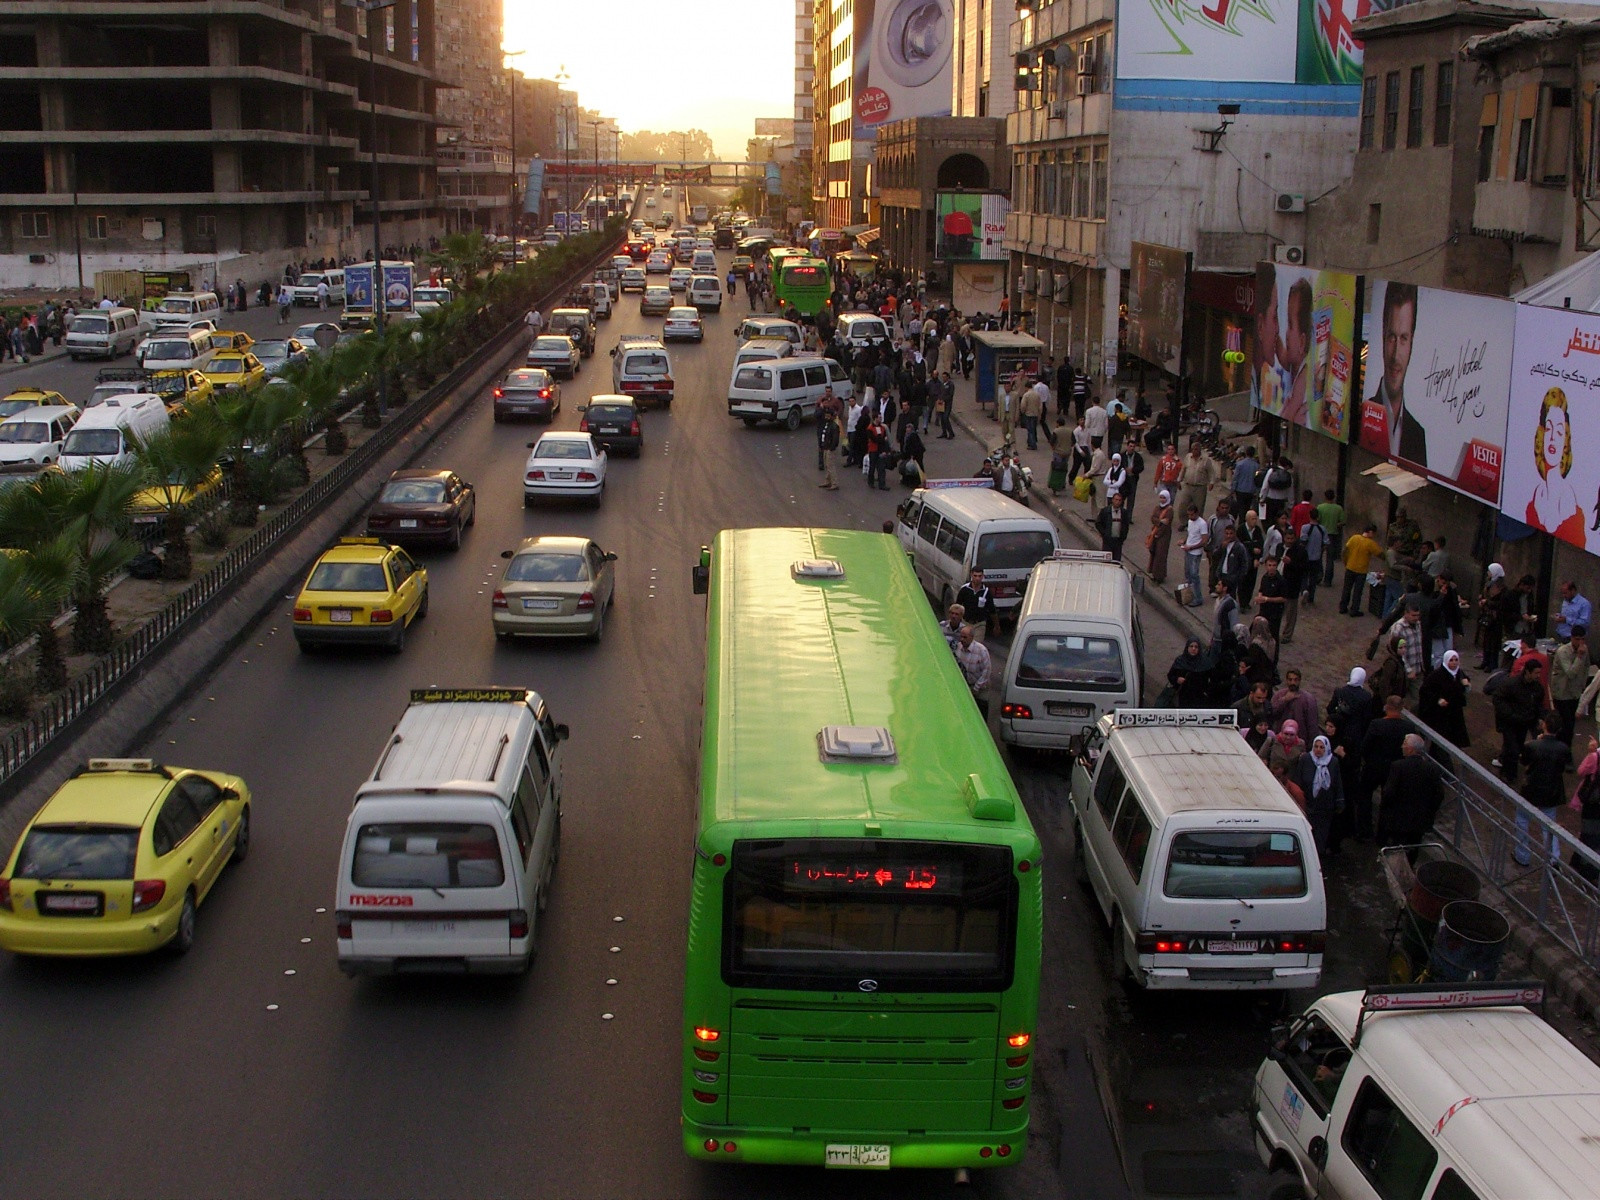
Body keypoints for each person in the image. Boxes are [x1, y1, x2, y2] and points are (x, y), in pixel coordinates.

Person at [1357, 282, 1426, 462]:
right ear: (1382, 337)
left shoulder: (1418, 435)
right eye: (1391, 338)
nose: (1395, 355)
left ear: (1412, 343)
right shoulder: (1361, 413)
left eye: (1403, 339)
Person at [1525, 387, 1585, 544]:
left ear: (1565, 439)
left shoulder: (1569, 502)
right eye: (1549, 428)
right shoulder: (1537, 494)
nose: (1552, 437)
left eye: (1559, 432)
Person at [1518, 711, 1572, 867]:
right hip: (1552, 791)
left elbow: (1524, 761)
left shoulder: (1532, 746)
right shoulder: (1563, 748)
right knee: (1549, 826)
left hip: (1531, 789)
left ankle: (1522, 856)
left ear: (1544, 725)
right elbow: (1566, 767)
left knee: (1522, 821)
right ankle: (1553, 858)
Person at [1378, 735, 1444, 859]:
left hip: (1398, 819)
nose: (1402, 746)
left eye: (1404, 743)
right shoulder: (1432, 769)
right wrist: (1430, 811)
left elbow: (1389, 792)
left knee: (1397, 850)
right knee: (1413, 849)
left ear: (1410, 749)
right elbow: (1439, 794)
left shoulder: (1398, 766)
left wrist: (1387, 810)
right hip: (1420, 820)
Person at [1487, 657, 1545, 785]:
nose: (1538, 676)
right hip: (1510, 722)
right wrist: (1509, 714)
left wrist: (1540, 717)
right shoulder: (1511, 684)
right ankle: (1508, 775)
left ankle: (1508, 771)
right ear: (1528, 672)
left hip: (1523, 723)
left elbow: (1539, 704)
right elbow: (1498, 698)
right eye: (1536, 673)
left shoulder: (1537, 688)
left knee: (1516, 747)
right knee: (1512, 748)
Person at [1297, 735, 1344, 865]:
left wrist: (1340, 801)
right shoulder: (1306, 759)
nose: (1318, 750)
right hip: (1308, 802)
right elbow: (1299, 779)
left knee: (1322, 832)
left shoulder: (1333, 762)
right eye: (1316, 747)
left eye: (1322, 747)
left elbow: (1337, 782)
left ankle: (1319, 858)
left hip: (1325, 804)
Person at [1418, 650, 1471, 748]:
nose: (1454, 662)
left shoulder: (1460, 673)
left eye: (1456, 660)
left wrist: (1466, 684)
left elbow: (1464, 688)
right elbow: (1425, 690)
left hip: (1455, 709)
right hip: (1441, 712)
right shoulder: (1436, 675)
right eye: (1451, 660)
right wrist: (1437, 700)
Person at [1551, 627, 1590, 746]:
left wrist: (1583, 685)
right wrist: (1579, 657)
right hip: (1562, 692)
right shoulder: (1563, 651)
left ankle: (1566, 750)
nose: (1580, 643)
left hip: (1575, 692)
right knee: (1564, 724)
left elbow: (1586, 668)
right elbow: (1570, 673)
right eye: (1577, 639)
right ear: (1572, 638)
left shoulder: (1584, 650)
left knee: (1571, 725)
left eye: (1582, 639)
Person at [1570, 735, 1600, 884]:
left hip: (1593, 803)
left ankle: (1581, 866)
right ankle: (1590, 871)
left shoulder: (1595, 756)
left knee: (1587, 835)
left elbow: (1581, 772)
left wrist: (1590, 752)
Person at [1339, 524, 1383, 617]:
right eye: (1374, 533)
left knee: (1346, 589)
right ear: (1370, 532)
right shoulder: (1370, 543)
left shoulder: (1354, 538)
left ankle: (1343, 607)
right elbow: (1380, 554)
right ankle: (1354, 610)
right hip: (1361, 571)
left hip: (1350, 567)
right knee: (1357, 592)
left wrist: (1345, 561)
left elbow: (1345, 550)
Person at [954, 625, 992, 717]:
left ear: (972, 637)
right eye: (961, 637)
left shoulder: (981, 650)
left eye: (965, 637)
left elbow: (987, 671)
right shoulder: (958, 648)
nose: (962, 639)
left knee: (980, 712)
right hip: (965, 686)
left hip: (980, 688)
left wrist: (976, 688)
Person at [1177, 440, 1220, 519]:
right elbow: (1183, 469)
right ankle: (1184, 522)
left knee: (1199, 506)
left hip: (1200, 487)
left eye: (1196, 449)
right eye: (1193, 449)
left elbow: (1211, 472)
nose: (1194, 451)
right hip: (1188, 485)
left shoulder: (1206, 460)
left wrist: (1211, 483)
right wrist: (1179, 480)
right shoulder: (1188, 457)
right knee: (1183, 505)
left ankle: (1198, 523)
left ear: (1200, 450)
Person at [1168, 639, 1211, 707]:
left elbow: (1209, 680)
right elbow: (1170, 675)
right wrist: (1177, 679)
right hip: (1183, 697)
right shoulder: (1180, 661)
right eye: (1191, 646)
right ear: (1187, 647)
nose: (1193, 649)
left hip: (1198, 699)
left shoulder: (1204, 663)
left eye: (1196, 647)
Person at [1255, 555, 1287, 644]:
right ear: (1265, 566)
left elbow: (1283, 598)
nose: (1271, 568)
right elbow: (1261, 590)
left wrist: (1267, 599)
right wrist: (1259, 597)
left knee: (1273, 636)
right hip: (1264, 610)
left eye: (1274, 565)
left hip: (1275, 612)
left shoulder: (1281, 580)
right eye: (1269, 565)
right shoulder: (1264, 577)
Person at [955, 569, 996, 639]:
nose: (977, 578)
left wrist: (996, 626)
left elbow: (992, 610)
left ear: (983, 576)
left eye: (980, 576)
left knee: (976, 645)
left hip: (979, 624)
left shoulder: (986, 592)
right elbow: (957, 607)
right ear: (971, 575)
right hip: (966, 622)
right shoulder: (965, 589)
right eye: (975, 576)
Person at [1181, 504, 1208, 606]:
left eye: (1192, 515)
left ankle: (1198, 598)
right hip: (1188, 551)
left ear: (1197, 513)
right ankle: (1189, 595)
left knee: (1194, 575)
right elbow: (1190, 534)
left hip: (1195, 553)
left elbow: (1204, 540)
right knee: (1187, 574)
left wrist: (1191, 547)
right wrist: (1184, 541)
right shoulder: (1190, 521)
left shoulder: (1202, 524)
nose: (1190, 517)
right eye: (1188, 515)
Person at [1147, 489, 1175, 585]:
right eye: (1161, 497)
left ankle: (1160, 576)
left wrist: (1159, 532)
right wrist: (1160, 521)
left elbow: (1166, 523)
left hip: (1164, 535)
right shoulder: (1157, 507)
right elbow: (1152, 518)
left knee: (1160, 555)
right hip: (1155, 533)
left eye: (1164, 498)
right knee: (1153, 553)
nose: (1162, 500)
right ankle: (1154, 574)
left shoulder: (1169, 510)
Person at [1096, 492, 1132, 562]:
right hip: (1108, 541)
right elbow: (1098, 523)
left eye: (1119, 500)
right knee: (1106, 561)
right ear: (1112, 500)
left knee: (1116, 561)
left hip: (1118, 541)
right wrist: (1104, 534)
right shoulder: (1105, 511)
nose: (1117, 502)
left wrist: (1123, 537)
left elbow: (1125, 526)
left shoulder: (1123, 513)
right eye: (1116, 500)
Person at [1231, 447, 1260, 517]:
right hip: (1251, 490)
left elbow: (1235, 477)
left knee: (1241, 508)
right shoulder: (1256, 466)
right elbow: (1257, 479)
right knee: (1247, 508)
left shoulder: (1240, 464)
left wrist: (1232, 489)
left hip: (1240, 490)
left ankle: (1241, 523)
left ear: (1246, 453)